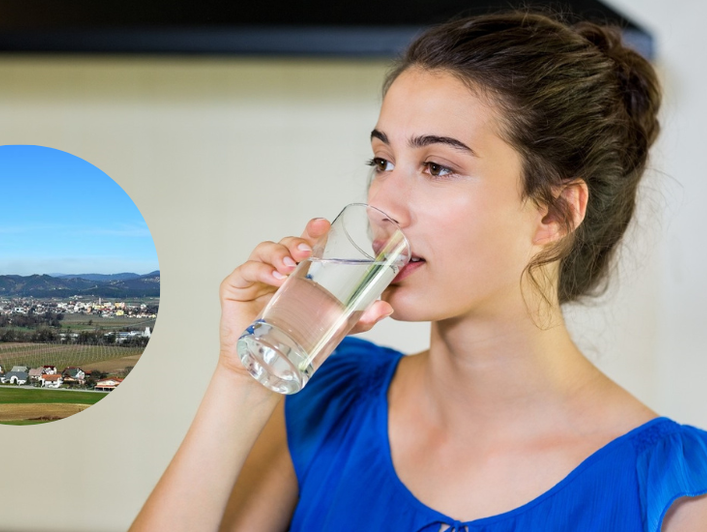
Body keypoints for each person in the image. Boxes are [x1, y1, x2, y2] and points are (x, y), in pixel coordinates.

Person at [130, 10, 707, 532]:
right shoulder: (328, 400)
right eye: (382, 161)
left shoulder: (668, 492)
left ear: (553, 214)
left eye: (437, 167)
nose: (387, 205)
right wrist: (243, 382)